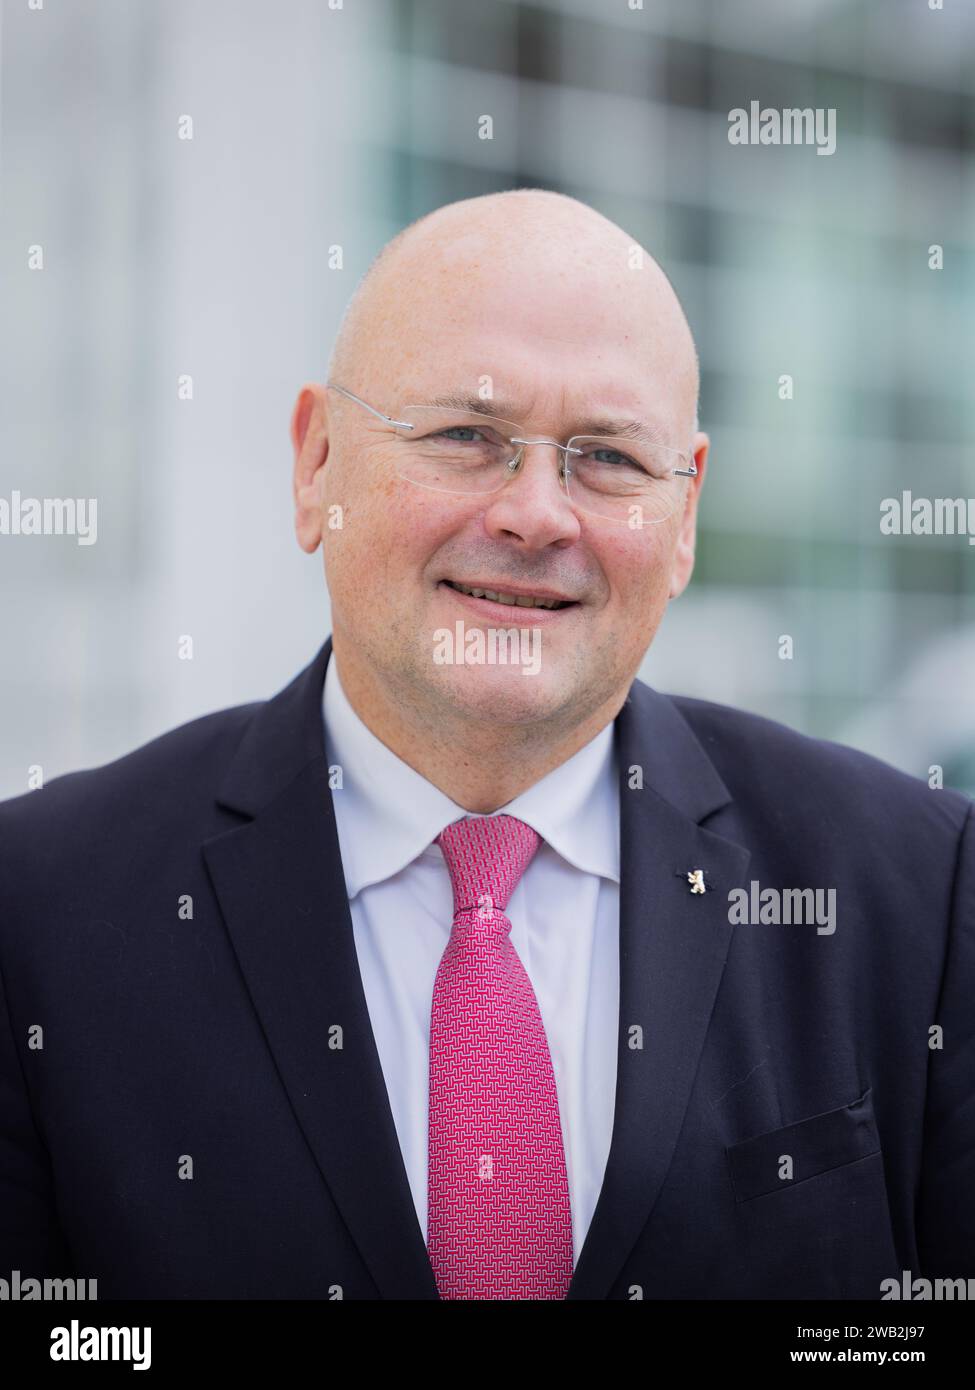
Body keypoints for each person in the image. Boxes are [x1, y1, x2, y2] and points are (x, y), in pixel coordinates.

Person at [0, 190, 971, 1301]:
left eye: (606, 456)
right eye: (467, 435)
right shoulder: (39, 909)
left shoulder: (918, 889)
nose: (537, 514)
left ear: (687, 514)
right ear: (317, 462)